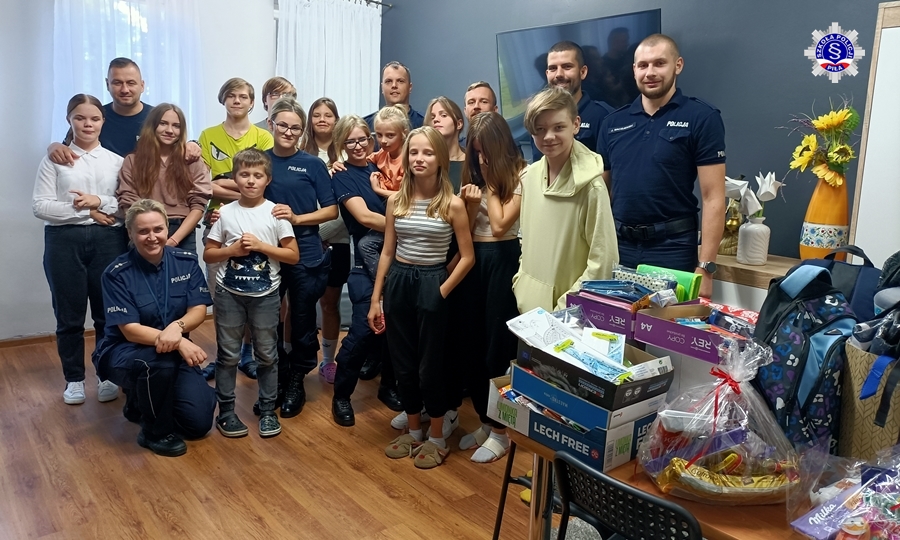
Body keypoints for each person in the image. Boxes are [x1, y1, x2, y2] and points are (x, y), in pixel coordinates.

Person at [368, 126, 474, 469]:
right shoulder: (396, 201)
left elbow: (467, 257)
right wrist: (376, 298)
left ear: (440, 159)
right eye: (414, 152)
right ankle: (413, 431)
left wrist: (441, 290)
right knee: (403, 363)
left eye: (428, 152)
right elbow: (387, 251)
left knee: (431, 366)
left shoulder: (452, 204)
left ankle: (437, 437)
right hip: (399, 280)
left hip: (432, 280)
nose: (419, 158)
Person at [597, 34, 726, 298]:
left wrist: (706, 268)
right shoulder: (611, 123)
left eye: (659, 63)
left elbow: (713, 197)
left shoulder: (702, 117)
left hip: (673, 247)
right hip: (620, 247)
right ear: (634, 70)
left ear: (678, 65)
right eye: (643, 65)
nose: (650, 72)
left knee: (669, 323)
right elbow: (600, 194)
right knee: (617, 321)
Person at [93, 199, 216, 457]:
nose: (152, 237)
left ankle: (142, 401)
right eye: (143, 231)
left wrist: (177, 327)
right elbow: (130, 330)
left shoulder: (185, 262)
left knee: (198, 423)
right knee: (157, 365)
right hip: (125, 351)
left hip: (172, 353)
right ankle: (153, 433)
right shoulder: (116, 273)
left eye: (158, 229)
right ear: (130, 233)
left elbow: (198, 310)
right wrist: (179, 340)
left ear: (167, 229)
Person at [33, 93, 127, 405]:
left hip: (108, 240)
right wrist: (88, 211)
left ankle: (105, 374)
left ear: (103, 121)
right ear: (69, 120)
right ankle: (74, 379)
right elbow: (41, 206)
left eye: (94, 118)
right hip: (63, 241)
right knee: (69, 316)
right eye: (80, 118)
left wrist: (99, 203)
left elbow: (124, 207)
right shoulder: (54, 160)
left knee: (107, 314)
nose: (88, 124)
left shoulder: (116, 162)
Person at [203, 149, 299, 438]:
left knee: (267, 354)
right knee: (228, 355)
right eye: (244, 174)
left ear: (267, 179)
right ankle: (226, 412)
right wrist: (232, 250)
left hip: (266, 295)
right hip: (229, 294)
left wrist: (261, 246)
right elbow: (209, 254)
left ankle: (268, 410)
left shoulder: (276, 212)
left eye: (257, 175)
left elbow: (292, 255)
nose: (251, 180)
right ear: (235, 178)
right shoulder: (224, 213)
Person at [513, 87, 618, 313]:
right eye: (540, 129)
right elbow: (527, 240)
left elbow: (603, 263)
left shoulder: (591, 186)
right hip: (528, 308)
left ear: (576, 124)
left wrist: (565, 308)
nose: (548, 137)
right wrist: (521, 283)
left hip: (567, 313)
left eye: (558, 127)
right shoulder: (530, 176)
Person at [457, 112, 525, 463]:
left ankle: (502, 432)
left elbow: (499, 226)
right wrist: (470, 204)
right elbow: (466, 230)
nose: (481, 158)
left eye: (487, 151)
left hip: (503, 257)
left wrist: (491, 181)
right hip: (474, 259)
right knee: (473, 344)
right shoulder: (474, 174)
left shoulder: (520, 175)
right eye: (477, 151)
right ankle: (486, 422)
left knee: (498, 349)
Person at [264, 97, 337, 417]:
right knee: (267, 317)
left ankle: (297, 378)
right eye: (283, 125)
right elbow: (239, 191)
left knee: (303, 316)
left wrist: (297, 218)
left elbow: (331, 210)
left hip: (305, 247)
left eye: (295, 128)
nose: (288, 132)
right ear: (271, 124)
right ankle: (277, 376)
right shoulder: (260, 161)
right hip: (266, 248)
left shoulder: (312, 164)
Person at [198, 77, 275, 380]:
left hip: (257, 223)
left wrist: (224, 184)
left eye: (243, 96)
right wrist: (239, 189)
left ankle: (247, 352)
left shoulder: (264, 136)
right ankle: (224, 355)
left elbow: (264, 183)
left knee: (252, 290)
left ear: (252, 103)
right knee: (221, 293)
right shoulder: (208, 135)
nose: (237, 101)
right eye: (231, 96)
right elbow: (205, 185)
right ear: (223, 100)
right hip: (218, 221)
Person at [330, 115, 402, 427]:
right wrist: (409, 225)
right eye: (350, 141)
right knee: (362, 331)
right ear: (341, 145)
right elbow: (365, 217)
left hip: (399, 258)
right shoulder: (342, 176)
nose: (358, 146)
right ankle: (341, 396)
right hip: (365, 263)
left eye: (362, 139)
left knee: (396, 332)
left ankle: (388, 387)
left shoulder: (380, 166)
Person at [47, 58, 201, 163]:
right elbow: (69, 145)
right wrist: (54, 146)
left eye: (131, 83)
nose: (125, 89)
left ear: (142, 85)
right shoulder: (95, 117)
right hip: (102, 191)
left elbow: (177, 145)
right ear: (107, 85)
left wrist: (193, 144)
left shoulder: (158, 118)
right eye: (117, 83)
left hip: (146, 192)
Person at [116, 104, 212, 253]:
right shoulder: (132, 161)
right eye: (163, 123)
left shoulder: (192, 161)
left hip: (182, 232)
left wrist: (173, 240)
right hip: (146, 230)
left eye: (176, 126)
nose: (169, 130)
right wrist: (145, 233)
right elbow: (128, 202)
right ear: (152, 126)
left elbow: (198, 206)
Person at [302, 97, 349, 383]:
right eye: (317, 114)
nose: (322, 119)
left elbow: (346, 206)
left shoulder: (346, 153)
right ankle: (295, 359)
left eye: (328, 115)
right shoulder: (299, 153)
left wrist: (320, 235)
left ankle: (328, 361)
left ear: (336, 120)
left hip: (337, 241)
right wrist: (311, 237)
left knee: (330, 304)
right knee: (298, 305)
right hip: (302, 242)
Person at [352, 105, 411, 281]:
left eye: (390, 135)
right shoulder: (381, 154)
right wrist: (338, 165)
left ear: (404, 133)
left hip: (407, 215)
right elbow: (359, 160)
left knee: (366, 245)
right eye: (379, 135)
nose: (383, 141)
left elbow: (409, 195)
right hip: (390, 215)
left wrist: (378, 189)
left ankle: (389, 283)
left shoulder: (409, 159)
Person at [530, 41, 615, 162]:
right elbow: (538, 162)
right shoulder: (538, 116)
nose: (559, 74)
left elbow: (610, 168)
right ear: (547, 74)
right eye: (553, 68)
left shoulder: (603, 116)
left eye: (567, 67)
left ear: (583, 72)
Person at [363, 61, 424, 140]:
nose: (394, 85)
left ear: (410, 87)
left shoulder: (424, 124)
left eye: (400, 81)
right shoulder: (365, 126)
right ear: (382, 87)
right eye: (388, 81)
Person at [424, 96, 466, 192]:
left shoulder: (471, 163)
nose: (436, 120)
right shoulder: (425, 160)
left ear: (459, 124)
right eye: (432, 117)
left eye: (443, 115)